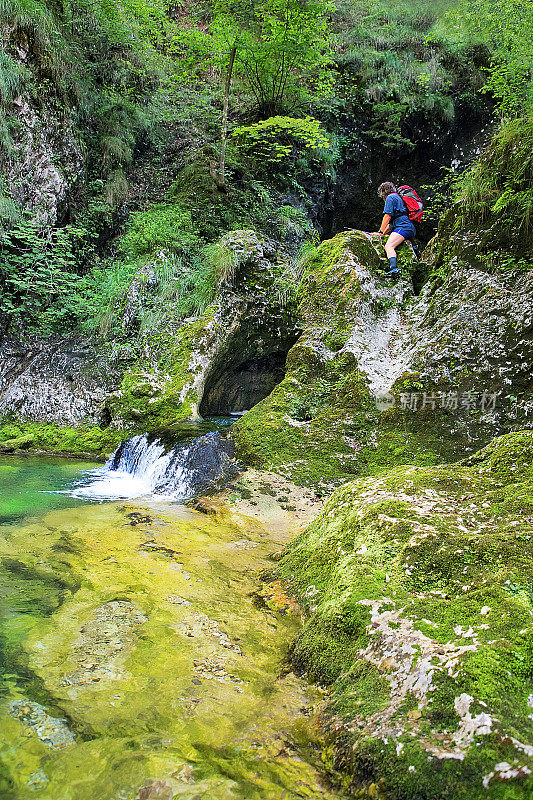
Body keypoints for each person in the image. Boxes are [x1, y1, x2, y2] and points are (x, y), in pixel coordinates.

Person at [374, 181, 416, 277]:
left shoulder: (390, 197)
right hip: (408, 227)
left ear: (384, 192)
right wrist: (382, 234)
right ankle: (415, 247)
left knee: (389, 246)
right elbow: (391, 224)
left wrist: (380, 231)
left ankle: (393, 269)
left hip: (403, 227)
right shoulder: (398, 198)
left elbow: (387, 216)